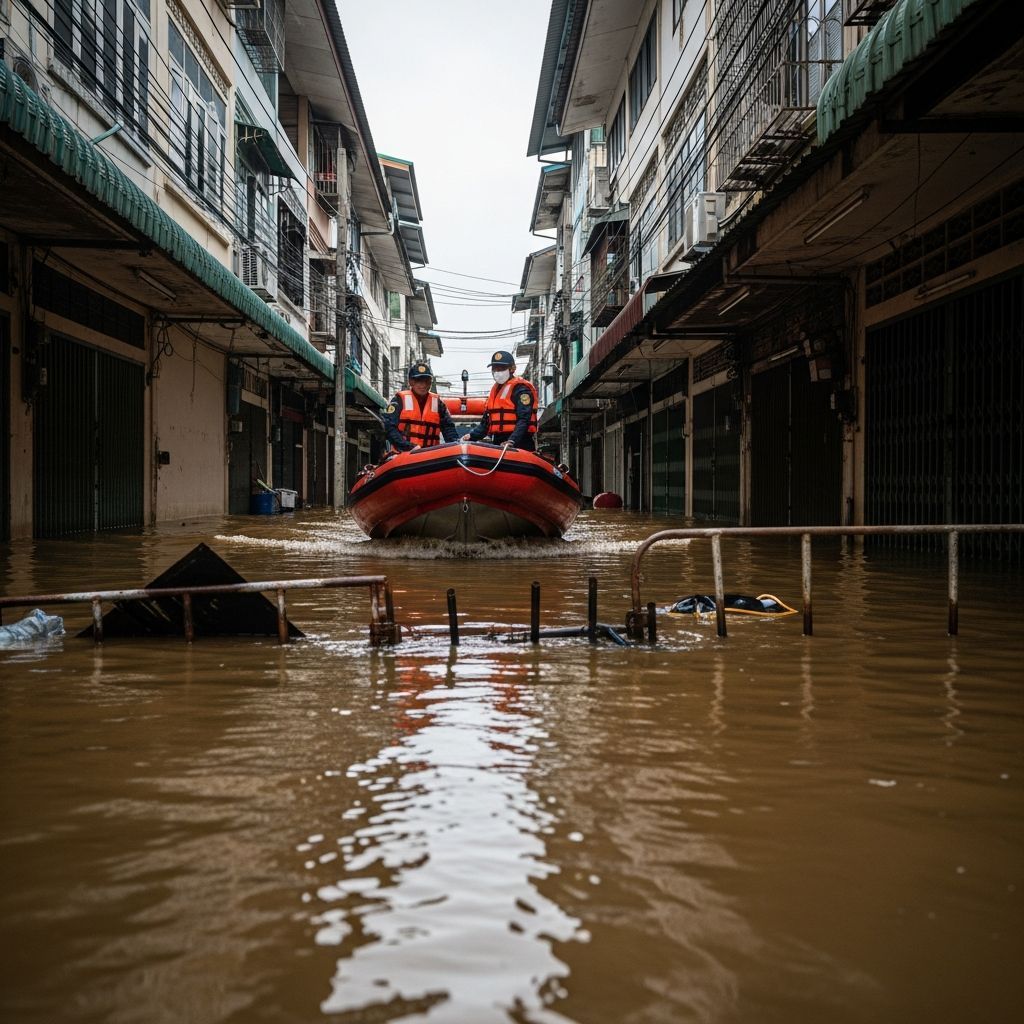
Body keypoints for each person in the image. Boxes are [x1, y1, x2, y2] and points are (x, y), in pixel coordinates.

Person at [461, 351, 538, 451]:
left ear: (512, 369)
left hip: (521, 443)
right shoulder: (495, 392)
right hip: (498, 443)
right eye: (495, 369)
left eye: (501, 369)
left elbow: (524, 420)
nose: (497, 372)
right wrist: (471, 436)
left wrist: (512, 441)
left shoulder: (520, 389)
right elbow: (486, 424)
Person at [382, 362, 459, 452]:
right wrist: (407, 446)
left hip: (430, 455)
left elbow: (448, 428)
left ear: (430, 382)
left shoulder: (438, 403)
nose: (423, 385)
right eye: (419, 381)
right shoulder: (399, 400)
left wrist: (456, 446)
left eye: (426, 381)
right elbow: (389, 427)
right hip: (404, 454)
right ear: (411, 382)